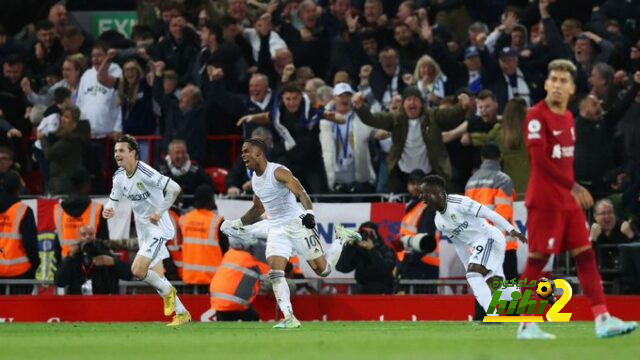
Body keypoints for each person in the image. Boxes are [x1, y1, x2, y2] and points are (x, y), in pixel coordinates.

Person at [519, 59, 636, 339]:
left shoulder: (569, 118)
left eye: (564, 81)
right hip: (545, 200)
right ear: (547, 84)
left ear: (572, 88)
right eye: (554, 80)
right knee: (538, 259)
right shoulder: (536, 115)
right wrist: (573, 186)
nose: (558, 85)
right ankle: (525, 324)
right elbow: (539, 160)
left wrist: (570, 190)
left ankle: (602, 318)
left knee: (585, 255)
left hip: (566, 201)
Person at [220, 138, 362, 328]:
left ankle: (341, 237)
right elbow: (258, 208)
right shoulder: (255, 180)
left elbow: (301, 192)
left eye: (246, 151)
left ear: (258, 153)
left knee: (324, 270)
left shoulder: (278, 171)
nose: (243, 155)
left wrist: (309, 213)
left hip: (298, 224)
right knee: (276, 273)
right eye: (242, 151)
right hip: (277, 228)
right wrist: (237, 222)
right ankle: (289, 318)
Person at [102, 135, 191, 326]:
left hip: (158, 228)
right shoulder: (119, 176)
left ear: (132, 153)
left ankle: (169, 292)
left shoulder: (145, 172)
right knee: (156, 274)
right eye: (115, 150)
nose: (117, 154)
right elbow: (114, 198)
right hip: (144, 230)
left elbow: (174, 188)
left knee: (137, 269)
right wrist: (109, 208)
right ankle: (182, 313)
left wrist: (159, 212)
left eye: (121, 150)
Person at [420, 174, 526, 321]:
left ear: (437, 192)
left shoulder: (458, 202)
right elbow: (459, 246)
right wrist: (467, 266)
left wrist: (511, 229)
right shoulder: (439, 221)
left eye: (425, 193)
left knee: (475, 275)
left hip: (490, 237)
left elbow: (488, 213)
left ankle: (493, 316)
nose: (422, 197)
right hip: (479, 246)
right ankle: (523, 300)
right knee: (491, 282)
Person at [352, 86, 473, 192]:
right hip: (401, 174)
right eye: (409, 99)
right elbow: (372, 119)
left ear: (421, 103)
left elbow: (450, 115)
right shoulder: (395, 119)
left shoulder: (433, 116)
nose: (412, 102)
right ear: (403, 104)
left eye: (415, 99)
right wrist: (360, 107)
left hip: (430, 172)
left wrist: (462, 106)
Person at [464, 142, 518, 320]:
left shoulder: (471, 182)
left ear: (482, 159)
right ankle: (512, 318)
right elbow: (503, 214)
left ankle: (481, 319)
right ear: (500, 158)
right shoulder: (503, 179)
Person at [54, 225, 132, 294]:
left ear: (95, 236)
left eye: (91, 234)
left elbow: (128, 275)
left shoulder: (104, 253)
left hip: (102, 304)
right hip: (79, 304)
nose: (87, 237)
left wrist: (114, 262)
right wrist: (70, 257)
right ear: (78, 238)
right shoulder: (74, 258)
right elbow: (59, 282)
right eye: (83, 235)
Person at [179, 184, 228, 293]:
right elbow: (225, 250)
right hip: (211, 281)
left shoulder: (184, 220)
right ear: (211, 200)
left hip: (188, 280)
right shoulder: (218, 221)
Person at [395, 169, 439, 283]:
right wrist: (399, 263)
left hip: (422, 266)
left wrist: (406, 263)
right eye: (411, 183)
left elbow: (425, 241)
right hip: (411, 265)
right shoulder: (412, 207)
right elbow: (403, 236)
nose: (414, 187)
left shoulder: (428, 207)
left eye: (418, 183)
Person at [54, 168, 109, 258]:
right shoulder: (97, 209)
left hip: (67, 265)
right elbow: (104, 244)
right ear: (86, 185)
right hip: (91, 266)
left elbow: (57, 246)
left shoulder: (59, 210)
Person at [209, 239, 270, 321]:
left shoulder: (230, 253)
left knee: (225, 326)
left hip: (217, 298)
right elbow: (273, 273)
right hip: (234, 300)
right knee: (253, 319)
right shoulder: (253, 259)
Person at [336, 221, 396, 294]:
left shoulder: (385, 249)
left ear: (376, 235)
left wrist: (372, 250)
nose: (366, 236)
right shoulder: (357, 250)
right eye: (363, 233)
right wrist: (350, 246)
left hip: (382, 291)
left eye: (369, 233)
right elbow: (342, 267)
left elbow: (386, 269)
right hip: (362, 291)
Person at [0, 172, 38, 284]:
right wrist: (35, 263)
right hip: (20, 272)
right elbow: (30, 242)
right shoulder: (23, 210)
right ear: (19, 188)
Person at [158, 139, 213, 206]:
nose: (180, 156)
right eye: (177, 153)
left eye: (183, 152)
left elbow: (210, 187)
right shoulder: (159, 170)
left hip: (192, 209)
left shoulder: (197, 170)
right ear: (170, 154)